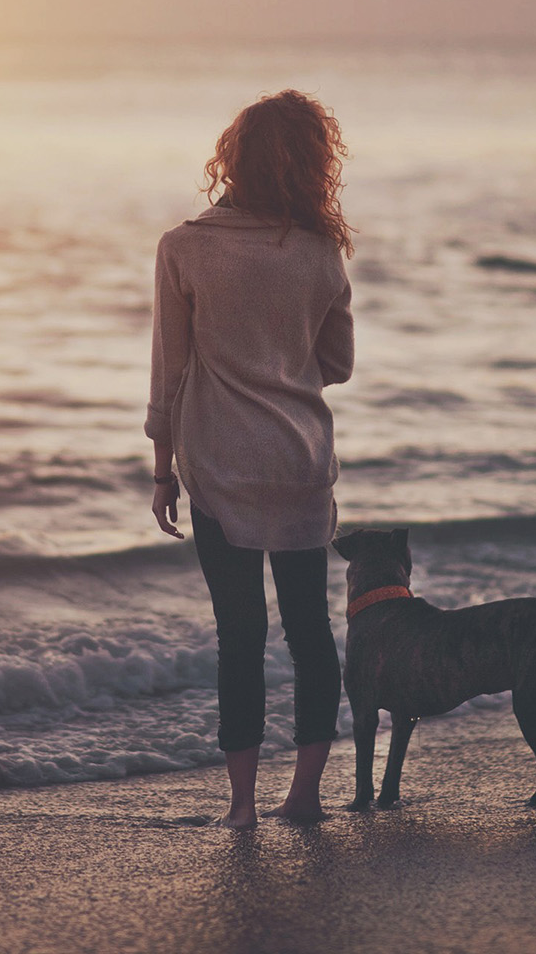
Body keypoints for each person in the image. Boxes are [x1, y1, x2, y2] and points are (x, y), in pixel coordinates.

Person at [145, 89, 355, 827]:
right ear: (312, 165)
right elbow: (338, 363)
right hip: (300, 464)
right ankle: (304, 796)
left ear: (231, 158)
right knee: (309, 632)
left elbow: (169, 372)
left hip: (220, 468)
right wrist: (281, 359)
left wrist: (163, 469)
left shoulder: (185, 246)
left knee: (241, 635)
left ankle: (240, 806)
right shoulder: (322, 250)